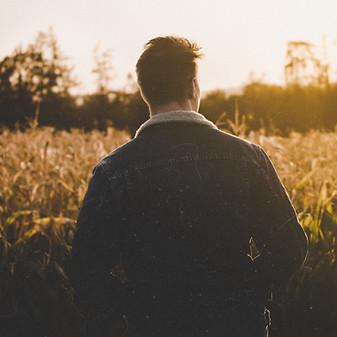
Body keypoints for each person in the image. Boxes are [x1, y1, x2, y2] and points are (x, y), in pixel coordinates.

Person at [70, 36, 308, 337]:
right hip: (237, 325)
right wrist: (241, 292)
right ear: (193, 86)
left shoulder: (112, 171)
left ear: (144, 91)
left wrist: (139, 307)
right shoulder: (248, 158)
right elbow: (290, 246)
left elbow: (86, 271)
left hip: (153, 327)